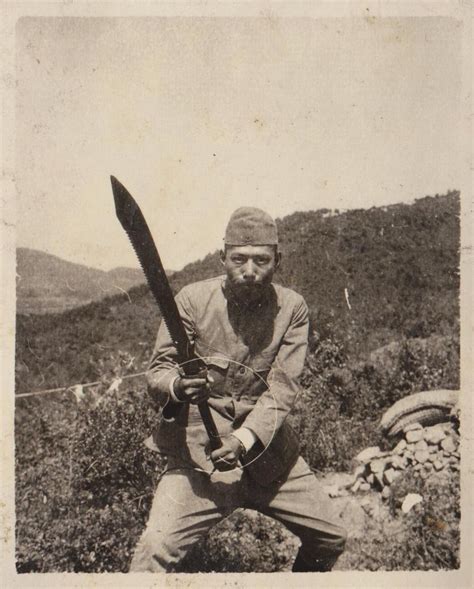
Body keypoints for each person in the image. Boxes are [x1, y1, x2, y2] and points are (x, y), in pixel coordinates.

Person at [130, 207, 347, 573]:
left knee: (330, 538)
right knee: (153, 549)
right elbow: (159, 371)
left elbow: (282, 388)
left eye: (261, 260)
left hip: (269, 458)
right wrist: (180, 387)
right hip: (199, 462)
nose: (249, 270)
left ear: (277, 260)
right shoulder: (192, 300)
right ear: (222, 258)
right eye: (239, 259)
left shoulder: (292, 309)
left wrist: (243, 440)